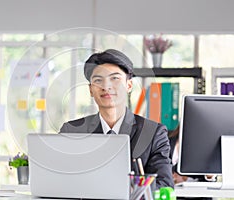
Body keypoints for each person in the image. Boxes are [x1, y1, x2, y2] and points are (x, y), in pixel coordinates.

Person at [59, 49, 174, 189]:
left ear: (129, 85)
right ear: (90, 90)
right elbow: (59, 179)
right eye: (98, 80)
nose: (106, 86)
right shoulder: (72, 132)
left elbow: (164, 185)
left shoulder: (153, 133)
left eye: (115, 78)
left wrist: (120, 189)